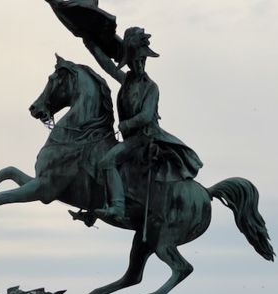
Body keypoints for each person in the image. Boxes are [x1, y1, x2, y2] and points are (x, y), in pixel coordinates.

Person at [83, 26, 202, 222]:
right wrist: (89, 42)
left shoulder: (151, 87)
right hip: (132, 138)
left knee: (107, 161)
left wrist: (127, 124)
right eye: (136, 60)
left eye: (142, 60)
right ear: (129, 60)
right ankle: (93, 208)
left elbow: (147, 116)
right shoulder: (127, 81)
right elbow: (107, 65)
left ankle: (118, 208)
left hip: (144, 138)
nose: (139, 63)